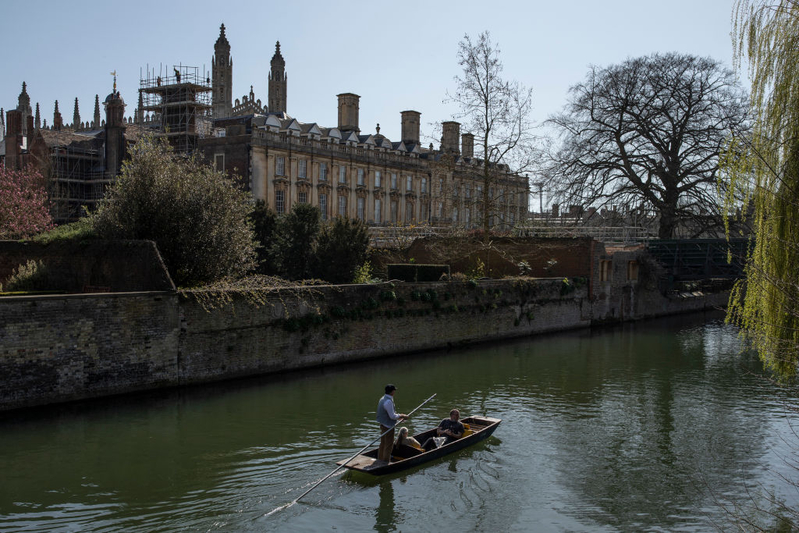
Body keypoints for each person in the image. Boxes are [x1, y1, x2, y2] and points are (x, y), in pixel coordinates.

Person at [376, 384, 407, 463]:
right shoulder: (388, 401)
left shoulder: (382, 398)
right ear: (392, 392)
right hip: (388, 426)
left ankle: (380, 459)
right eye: (394, 390)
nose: (394, 392)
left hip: (383, 425)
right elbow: (392, 416)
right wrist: (402, 415)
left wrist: (399, 418)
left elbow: (389, 414)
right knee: (389, 445)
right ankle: (385, 462)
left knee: (383, 443)